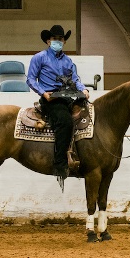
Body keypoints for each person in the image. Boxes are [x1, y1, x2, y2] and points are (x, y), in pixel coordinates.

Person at [26, 25, 89, 187]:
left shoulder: (68, 61)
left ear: (64, 41)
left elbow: (75, 79)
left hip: (65, 97)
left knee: (84, 115)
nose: (57, 42)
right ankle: (60, 163)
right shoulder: (39, 58)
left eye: (60, 39)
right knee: (65, 121)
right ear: (48, 41)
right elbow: (31, 79)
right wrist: (43, 93)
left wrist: (84, 89)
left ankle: (78, 155)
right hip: (50, 99)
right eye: (54, 39)